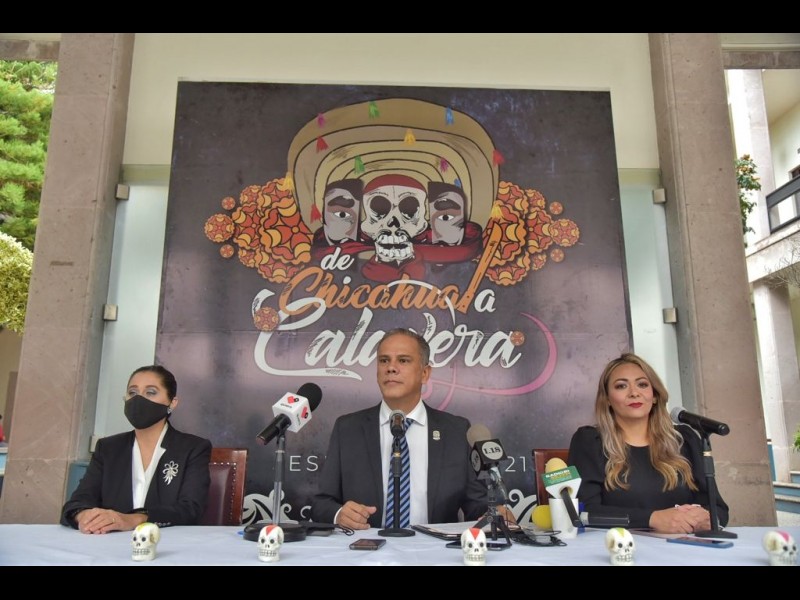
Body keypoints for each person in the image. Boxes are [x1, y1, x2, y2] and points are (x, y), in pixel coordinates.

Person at [311, 328, 491, 530]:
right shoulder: (348, 429)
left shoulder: (456, 431)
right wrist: (339, 515)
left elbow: (477, 505)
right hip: (366, 546)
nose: (391, 368)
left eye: (403, 360)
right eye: (384, 361)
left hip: (435, 548)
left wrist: (493, 514)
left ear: (425, 373)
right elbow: (321, 504)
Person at [568, 353, 729, 534]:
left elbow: (719, 509)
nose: (634, 393)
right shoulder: (590, 441)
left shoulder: (685, 439)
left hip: (683, 546)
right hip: (618, 546)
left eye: (642, 384)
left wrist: (705, 519)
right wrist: (652, 519)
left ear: (654, 395)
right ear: (607, 399)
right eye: (621, 386)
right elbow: (584, 512)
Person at [61, 365, 211, 534]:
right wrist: (84, 516)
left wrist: (132, 520)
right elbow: (77, 502)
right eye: (132, 392)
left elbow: (190, 509)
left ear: (172, 402)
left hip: (167, 542)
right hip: (109, 541)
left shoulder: (192, 448)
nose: (138, 399)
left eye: (151, 392)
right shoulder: (108, 448)